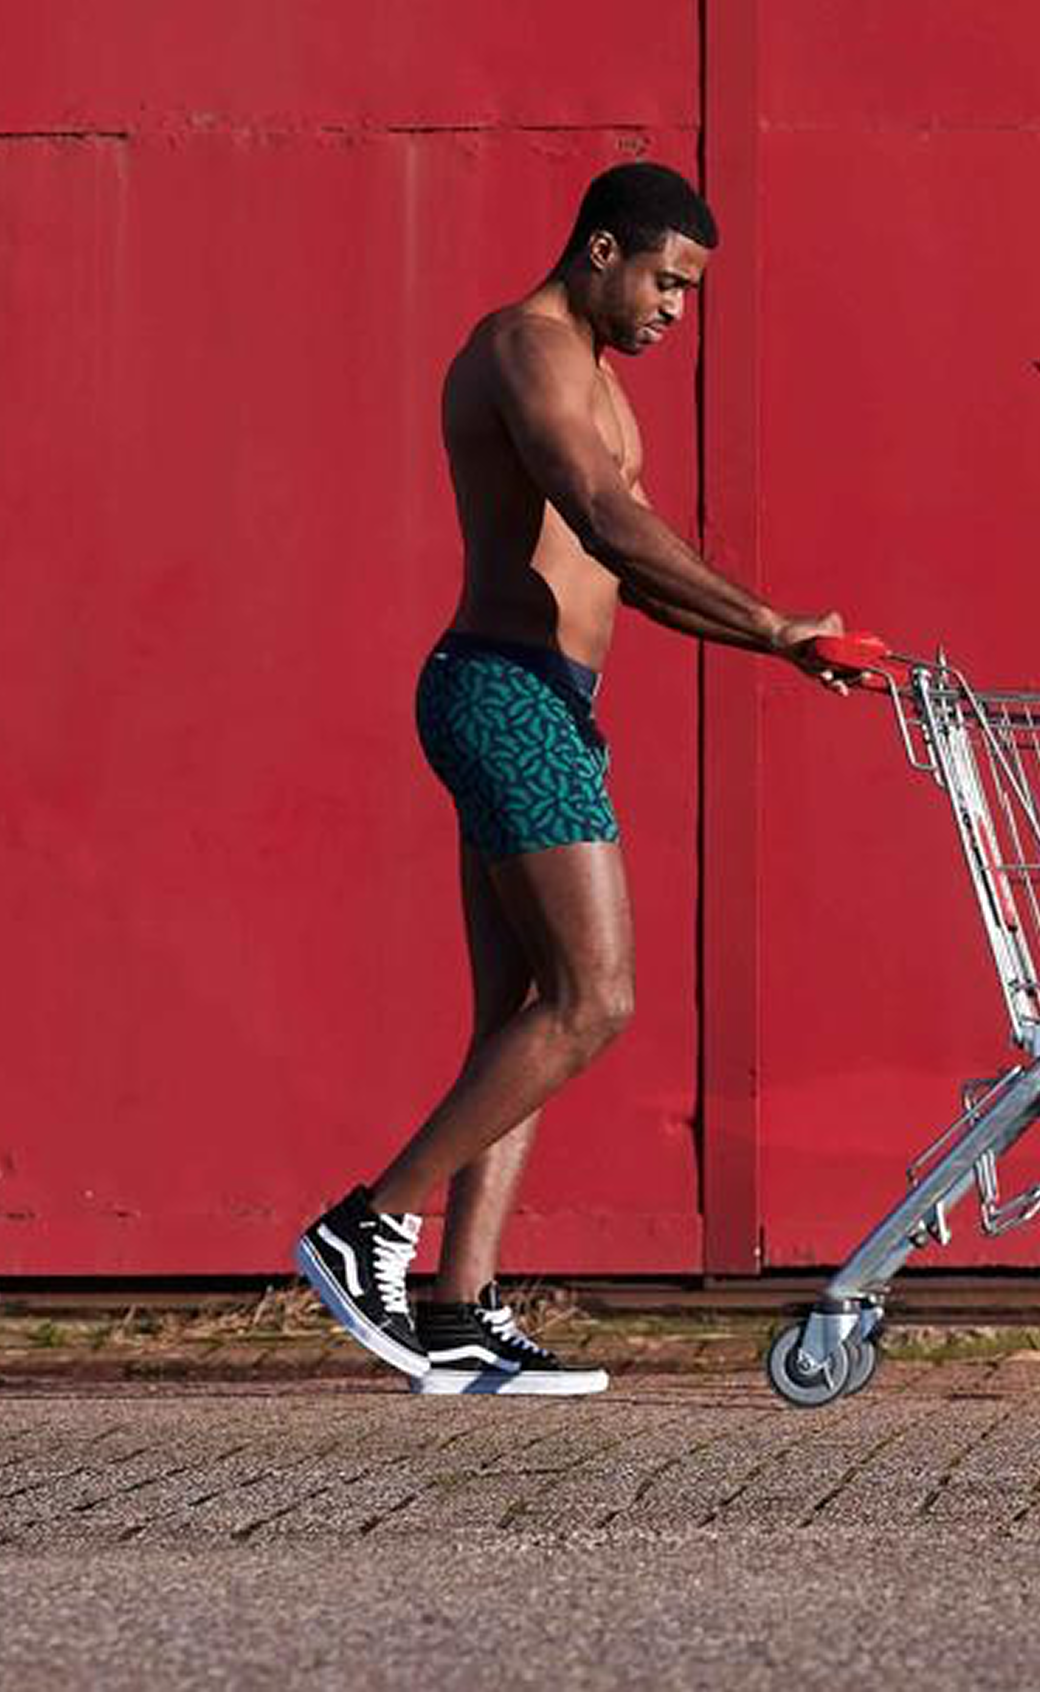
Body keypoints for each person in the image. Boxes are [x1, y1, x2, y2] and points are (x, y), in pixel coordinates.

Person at [294, 161, 859, 1395]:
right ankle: (365, 1225)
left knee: (525, 1015)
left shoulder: (602, 385)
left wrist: (779, 644)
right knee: (595, 1001)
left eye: (690, 293)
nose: (674, 309)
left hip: (546, 699)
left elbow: (636, 575)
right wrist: (769, 624)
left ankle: (458, 1308)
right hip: (502, 690)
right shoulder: (524, 348)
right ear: (603, 250)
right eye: (666, 281)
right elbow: (600, 515)